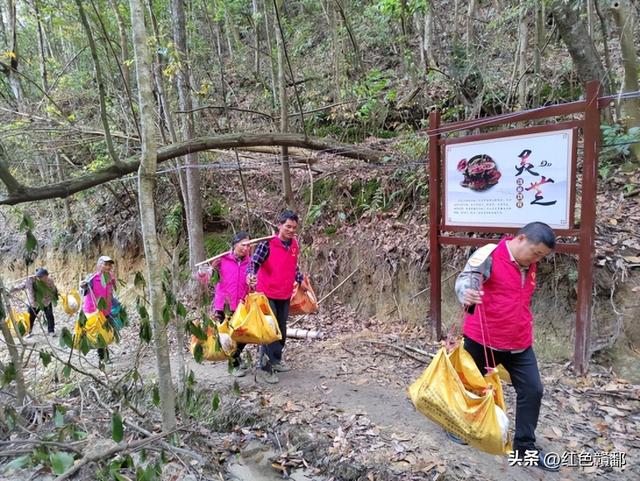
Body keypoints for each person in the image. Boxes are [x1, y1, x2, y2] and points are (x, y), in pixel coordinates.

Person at [453, 221, 559, 472]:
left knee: (532, 390)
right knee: (469, 386)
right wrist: (467, 293)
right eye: (536, 253)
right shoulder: (489, 255)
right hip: (482, 338)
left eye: (542, 257)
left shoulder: (529, 265)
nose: (538, 260)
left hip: (519, 341)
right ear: (521, 239)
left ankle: (524, 447)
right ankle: (456, 425)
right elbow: (466, 281)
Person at [246, 210, 305, 384]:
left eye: (294, 227)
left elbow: (293, 267)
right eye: (287, 226)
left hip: (285, 293)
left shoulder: (294, 245)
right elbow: (254, 263)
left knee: (281, 330)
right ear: (279, 225)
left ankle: (276, 360)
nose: (291, 230)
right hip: (267, 294)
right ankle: (264, 368)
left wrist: (301, 281)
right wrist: (250, 275)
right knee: (268, 330)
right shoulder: (267, 244)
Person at [211, 231, 251, 377]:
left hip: (241, 304)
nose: (246, 248)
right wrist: (209, 270)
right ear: (235, 244)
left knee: (242, 335)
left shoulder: (251, 262)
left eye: (248, 246)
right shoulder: (222, 260)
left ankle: (236, 357)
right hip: (224, 304)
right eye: (243, 245)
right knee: (227, 337)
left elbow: (254, 282)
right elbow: (206, 277)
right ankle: (233, 364)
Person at [80, 255, 117, 363]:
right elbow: (84, 289)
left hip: (106, 310)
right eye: (105, 264)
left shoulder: (110, 277)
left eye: (109, 265)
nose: (108, 267)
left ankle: (104, 355)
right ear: (99, 265)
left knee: (105, 332)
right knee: (100, 333)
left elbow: (112, 291)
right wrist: (83, 286)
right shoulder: (92, 278)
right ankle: (103, 357)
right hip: (94, 311)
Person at [12, 267, 58, 337]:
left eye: (46, 276)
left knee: (50, 316)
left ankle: (51, 331)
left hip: (46, 302)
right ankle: (29, 331)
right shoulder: (30, 280)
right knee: (30, 318)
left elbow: (54, 289)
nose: (45, 278)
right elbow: (21, 286)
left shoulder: (49, 281)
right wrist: (12, 289)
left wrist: (55, 295)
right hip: (33, 303)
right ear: (39, 276)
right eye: (43, 277)